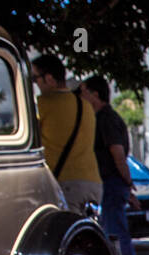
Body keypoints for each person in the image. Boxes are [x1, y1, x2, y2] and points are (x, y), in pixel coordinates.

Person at [79, 75, 140, 255]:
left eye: (83, 92)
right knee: (112, 230)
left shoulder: (106, 119)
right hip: (110, 182)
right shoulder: (101, 118)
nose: (80, 97)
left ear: (95, 94)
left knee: (116, 232)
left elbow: (118, 154)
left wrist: (127, 182)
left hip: (112, 183)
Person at [31, 55, 101, 214]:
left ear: (49, 79)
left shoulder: (42, 104)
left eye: (35, 79)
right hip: (92, 182)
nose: (35, 84)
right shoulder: (85, 105)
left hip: (64, 182)